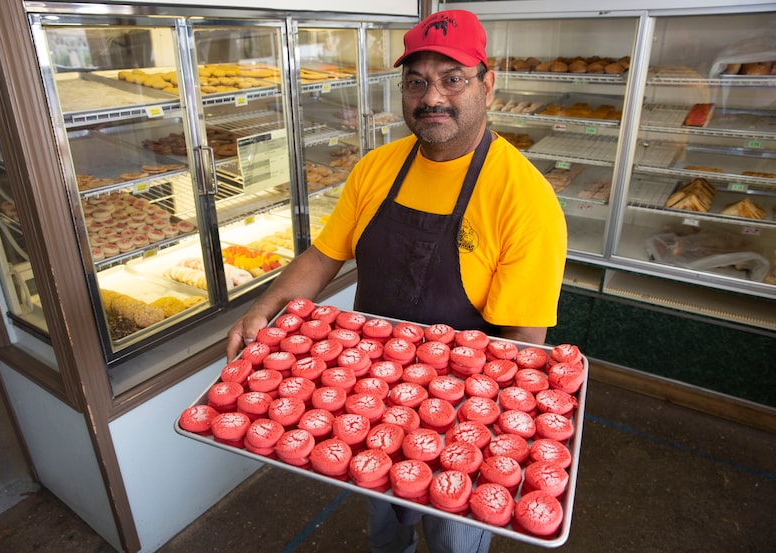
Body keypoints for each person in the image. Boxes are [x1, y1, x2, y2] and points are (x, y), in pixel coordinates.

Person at [227, 9, 567, 553]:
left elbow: (523, 345)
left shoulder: (524, 198)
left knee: (453, 530)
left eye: (452, 78)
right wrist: (261, 312)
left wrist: (470, 435)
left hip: (459, 416)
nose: (432, 96)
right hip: (367, 393)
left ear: (488, 84)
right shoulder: (376, 168)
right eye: (416, 81)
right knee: (383, 514)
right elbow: (323, 255)